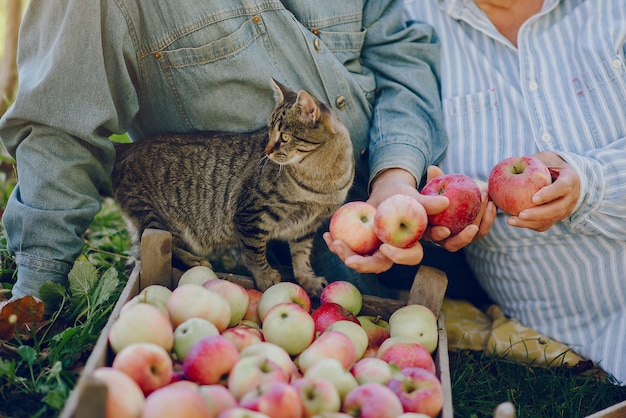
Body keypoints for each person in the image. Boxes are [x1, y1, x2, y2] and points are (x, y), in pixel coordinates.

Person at [0, 0, 475, 303]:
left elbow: (402, 58)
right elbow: (59, 129)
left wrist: (394, 177)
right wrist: (38, 287)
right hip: (262, 263)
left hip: (408, 204)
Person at [405, 0, 626, 385]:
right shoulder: (414, 17)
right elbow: (405, 129)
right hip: (558, 327)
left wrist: (590, 182)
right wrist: (447, 211)